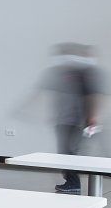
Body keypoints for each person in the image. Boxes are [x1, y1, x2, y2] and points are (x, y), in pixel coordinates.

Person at [41, 42, 104, 193]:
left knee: (69, 152)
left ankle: (73, 183)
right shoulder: (62, 73)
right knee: (65, 152)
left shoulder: (83, 74)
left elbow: (92, 96)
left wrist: (92, 117)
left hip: (75, 121)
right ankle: (71, 181)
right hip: (63, 120)